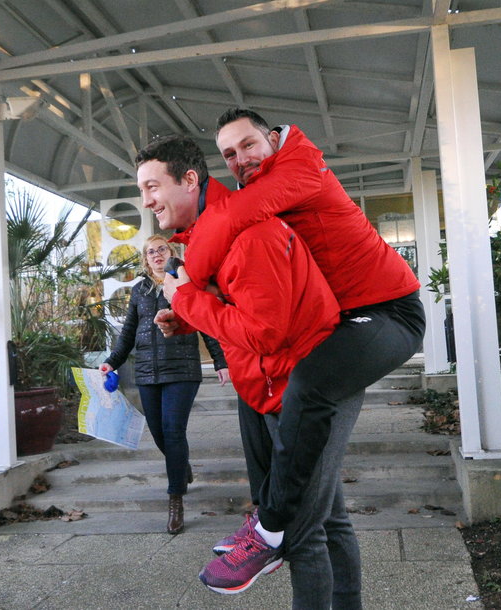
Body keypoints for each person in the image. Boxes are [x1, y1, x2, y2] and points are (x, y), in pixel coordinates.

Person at [179, 108, 427, 599]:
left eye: (248, 145)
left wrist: (188, 287)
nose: (241, 159)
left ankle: (268, 529)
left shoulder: (300, 168)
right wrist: (188, 301)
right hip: (341, 320)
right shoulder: (265, 190)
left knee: (309, 385)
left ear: (272, 138)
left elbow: (227, 218)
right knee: (263, 412)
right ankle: (266, 517)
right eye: (229, 154)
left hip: (389, 313)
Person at [137, 134, 364, 608]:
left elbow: (265, 332)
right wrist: (189, 316)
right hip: (273, 388)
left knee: (300, 530)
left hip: (300, 390)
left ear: (190, 180)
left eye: (153, 186)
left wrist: (187, 300)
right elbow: (242, 307)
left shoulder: (245, 233)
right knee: (329, 517)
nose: (147, 200)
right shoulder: (206, 236)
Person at [99, 234, 229, 535]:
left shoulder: (184, 283)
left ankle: (175, 500)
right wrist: (111, 362)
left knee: (173, 430)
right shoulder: (140, 290)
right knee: (159, 433)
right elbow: (128, 334)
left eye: (162, 249)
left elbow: (205, 322)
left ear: (171, 253)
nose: (157, 255)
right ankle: (181, 467)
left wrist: (221, 361)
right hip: (146, 371)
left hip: (182, 368)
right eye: (151, 252)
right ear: (146, 259)